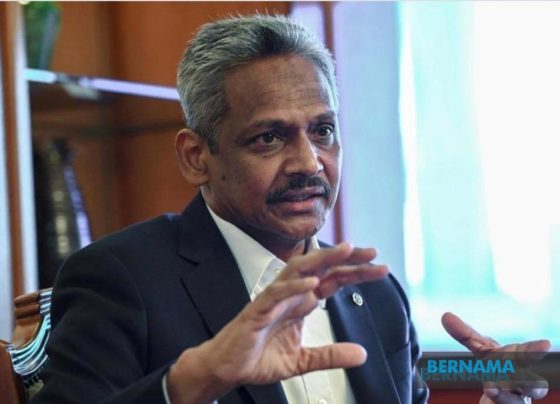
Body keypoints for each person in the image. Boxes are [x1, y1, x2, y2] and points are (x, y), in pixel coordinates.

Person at [32, 14, 550, 404]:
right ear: (196, 157)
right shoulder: (120, 279)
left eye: (322, 130)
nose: (309, 163)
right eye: (269, 137)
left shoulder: (375, 291)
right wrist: (194, 380)